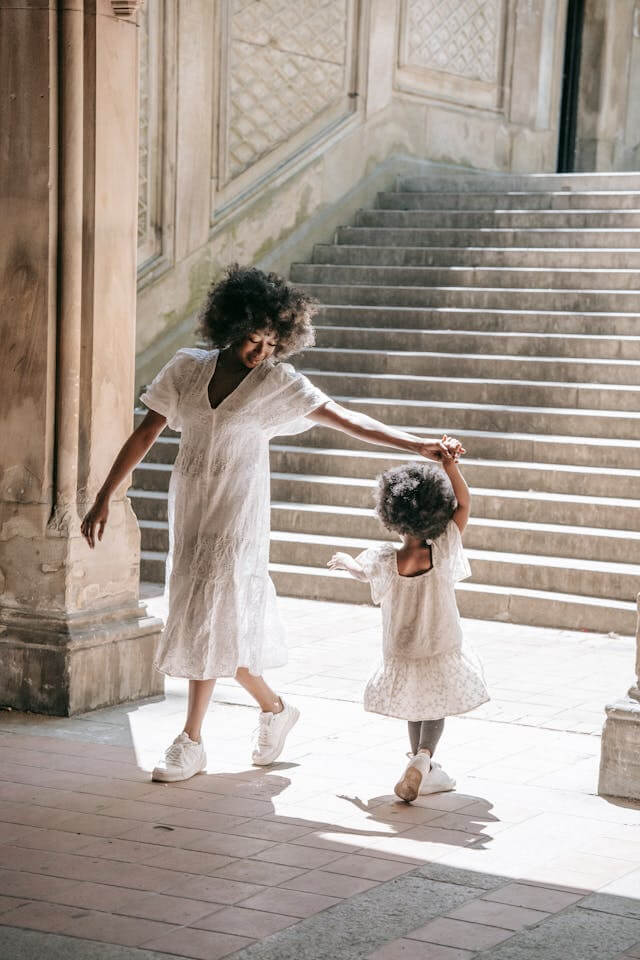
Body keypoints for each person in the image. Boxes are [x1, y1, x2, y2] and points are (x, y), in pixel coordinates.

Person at [81, 264, 461, 784]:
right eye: (253, 340)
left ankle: (191, 740)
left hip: (237, 519)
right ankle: (275, 709)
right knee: (210, 622)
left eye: (272, 343)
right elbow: (146, 433)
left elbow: (347, 419)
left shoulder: (276, 383)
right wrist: (106, 495)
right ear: (231, 325)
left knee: (209, 617)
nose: (261, 352)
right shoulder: (187, 368)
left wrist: (416, 444)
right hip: (191, 513)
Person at [328, 453, 489, 802]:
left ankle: (418, 764)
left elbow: (361, 572)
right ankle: (424, 757)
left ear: (392, 516)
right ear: (435, 512)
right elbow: (464, 503)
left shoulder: (385, 559)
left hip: (401, 647)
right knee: (434, 705)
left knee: (416, 704)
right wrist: (450, 467)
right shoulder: (442, 549)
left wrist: (346, 561)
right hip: (439, 641)